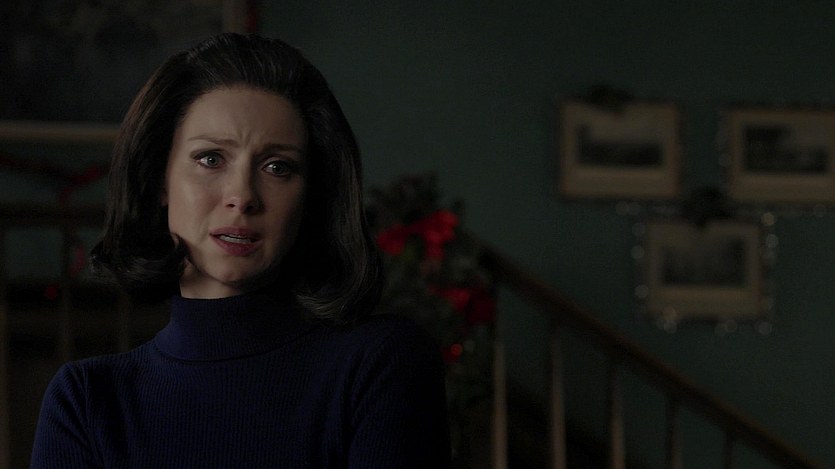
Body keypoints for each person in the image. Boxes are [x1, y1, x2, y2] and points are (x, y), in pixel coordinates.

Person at [30, 33, 451, 468]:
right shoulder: (88, 399)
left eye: (277, 167)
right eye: (211, 159)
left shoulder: (379, 363)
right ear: (158, 179)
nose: (243, 195)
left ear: (311, 197)